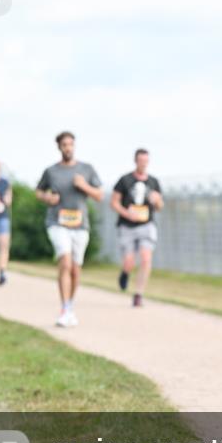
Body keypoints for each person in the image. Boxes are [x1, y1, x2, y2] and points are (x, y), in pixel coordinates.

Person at [35, 131, 103, 327]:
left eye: (71, 144)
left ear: (74, 146)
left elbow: (99, 195)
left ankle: (70, 305)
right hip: (57, 223)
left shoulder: (86, 169)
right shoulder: (51, 171)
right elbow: (39, 191)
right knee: (64, 262)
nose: (68, 148)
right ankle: (64, 308)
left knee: (75, 268)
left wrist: (84, 186)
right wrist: (47, 198)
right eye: (64, 145)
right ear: (59, 147)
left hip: (80, 225)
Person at [112, 149, 164, 307]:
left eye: (146, 161)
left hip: (146, 225)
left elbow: (160, 206)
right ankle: (125, 273)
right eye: (141, 161)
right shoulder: (125, 180)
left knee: (146, 258)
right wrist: (127, 214)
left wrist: (157, 201)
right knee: (129, 261)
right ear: (136, 161)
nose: (143, 164)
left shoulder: (154, 182)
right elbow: (114, 202)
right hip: (127, 226)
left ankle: (138, 294)